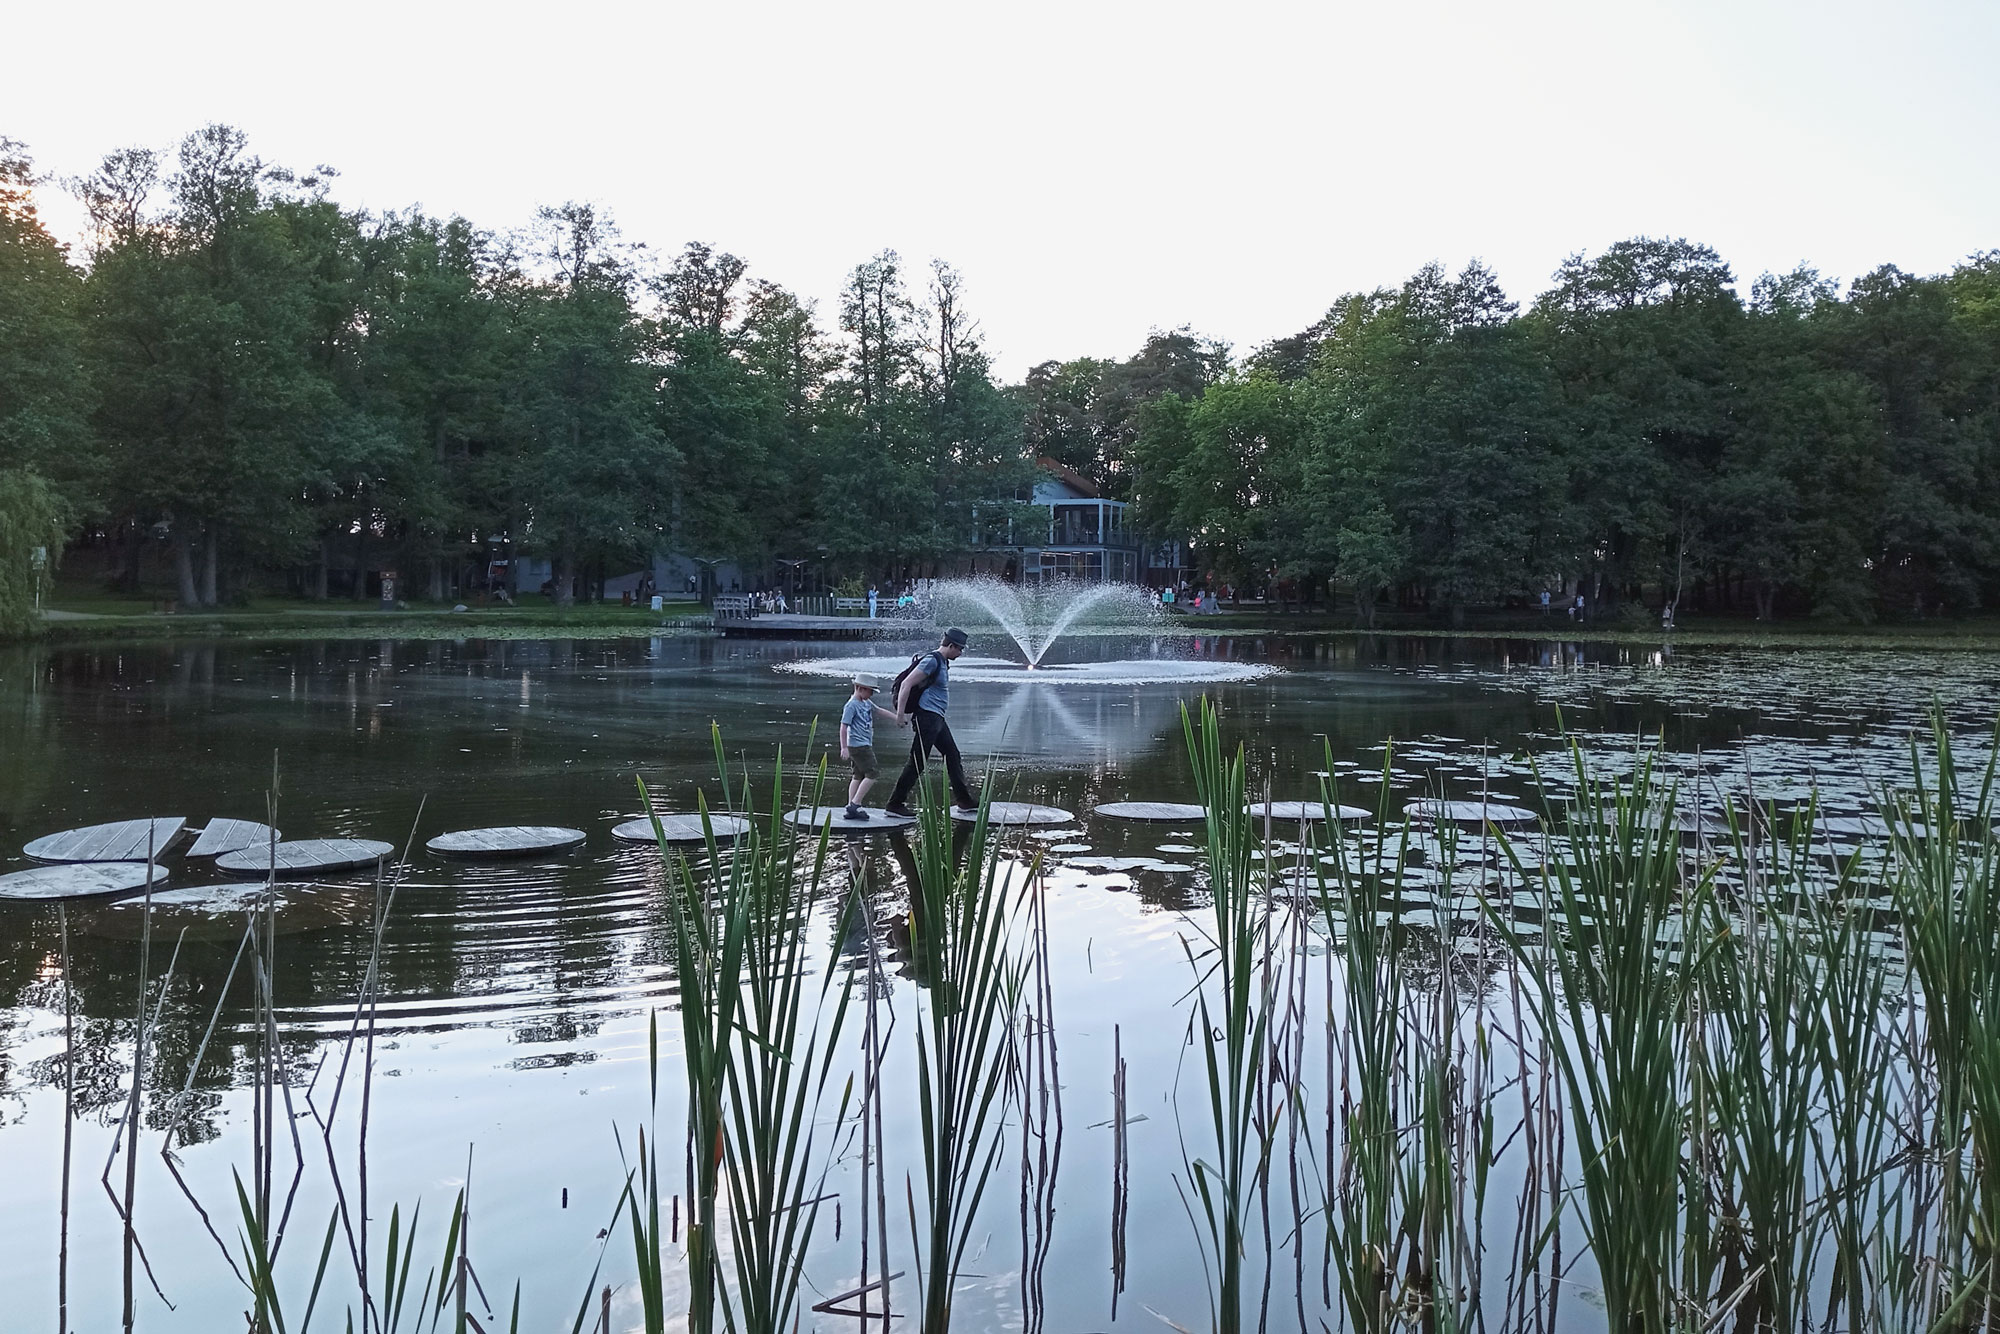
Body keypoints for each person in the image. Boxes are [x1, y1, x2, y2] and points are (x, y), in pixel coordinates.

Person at [884, 627, 976, 817]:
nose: (960, 653)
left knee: (952, 755)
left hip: (937, 719)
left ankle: (964, 801)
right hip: (927, 718)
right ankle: (895, 804)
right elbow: (906, 684)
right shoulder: (931, 661)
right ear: (951, 646)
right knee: (917, 761)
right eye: (959, 649)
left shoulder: (942, 662)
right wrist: (900, 715)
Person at [839, 672, 906, 819]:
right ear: (860, 688)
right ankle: (855, 804)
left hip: (863, 744)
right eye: (870, 691)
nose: (872, 694)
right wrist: (844, 747)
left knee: (858, 775)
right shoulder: (851, 705)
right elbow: (843, 727)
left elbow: (879, 710)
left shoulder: (866, 702)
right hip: (859, 746)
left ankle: (851, 806)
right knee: (873, 774)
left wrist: (897, 718)